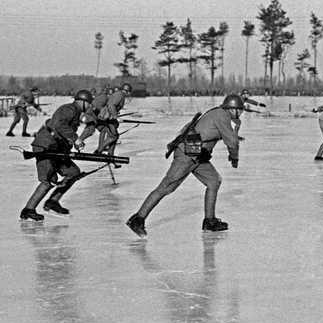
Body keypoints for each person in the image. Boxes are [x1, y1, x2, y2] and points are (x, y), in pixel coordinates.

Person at [126, 94, 242, 237]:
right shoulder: (222, 115)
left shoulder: (219, 114)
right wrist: (234, 157)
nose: (241, 113)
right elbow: (232, 142)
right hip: (187, 155)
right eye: (240, 110)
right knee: (167, 186)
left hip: (198, 155)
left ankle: (210, 221)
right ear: (232, 109)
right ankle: (138, 219)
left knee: (213, 181)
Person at [19, 89, 94, 221]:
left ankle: (52, 202)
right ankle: (28, 210)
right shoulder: (69, 109)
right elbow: (59, 125)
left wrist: (70, 146)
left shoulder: (75, 112)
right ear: (81, 101)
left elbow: (63, 133)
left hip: (56, 148)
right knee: (48, 180)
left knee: (73, 172)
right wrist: (75, 138)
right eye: (88, 103)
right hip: (45, 146)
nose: (89, 106)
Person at [93, 82, 132, 160]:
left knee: (115, 135)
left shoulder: (119, 94)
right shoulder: (120, 95)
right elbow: (111, 105)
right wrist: (115, 116)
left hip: (110, 117)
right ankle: (98, 151)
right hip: (109, 118)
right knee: (113, 136)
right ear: (128, 91)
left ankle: (110, 154)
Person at [75, 87, 110, 151]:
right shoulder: (104, 97)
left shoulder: (102, 96)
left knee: (103, 129)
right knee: (91, 129)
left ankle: (102, 146)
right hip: (89, 115)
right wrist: (105, 113)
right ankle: (78, 142)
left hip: (92, 116)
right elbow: (97, 106)